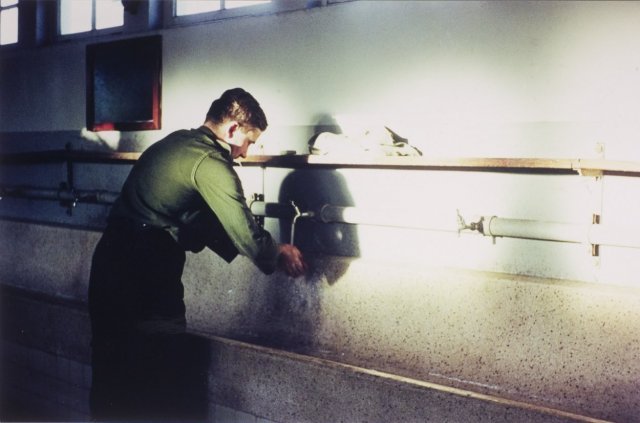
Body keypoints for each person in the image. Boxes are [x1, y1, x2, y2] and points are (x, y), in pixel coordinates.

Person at [88, 88, 306, 421]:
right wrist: (277, 252)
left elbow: (192, 217)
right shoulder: (211, 162)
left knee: (111, 370)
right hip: (147, 267)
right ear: (233, 129)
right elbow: (244, 230)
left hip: (109, 259)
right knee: (161, 365)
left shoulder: (176, 143)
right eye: (249, 141)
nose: (246, 152)